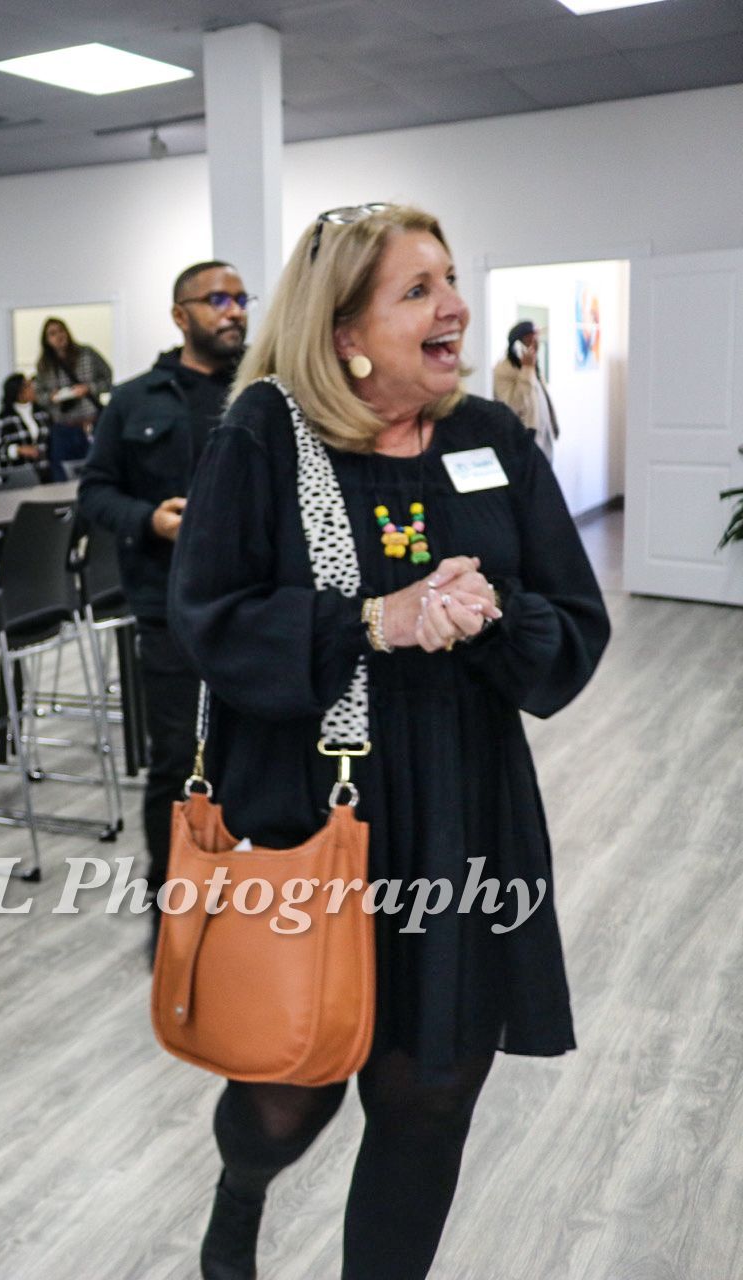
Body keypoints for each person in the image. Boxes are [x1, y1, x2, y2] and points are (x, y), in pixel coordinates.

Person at [170, 205, 609, 1280]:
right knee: (285, 1091)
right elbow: (211, 617)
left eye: (449, 279)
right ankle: (240, 1206)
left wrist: (493, 607)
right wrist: (376, 617)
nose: (455, 306)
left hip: (461, 806)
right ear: (346, 327)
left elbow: (575, 621)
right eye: (418, 289)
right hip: (310, 801)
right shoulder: (265, 435)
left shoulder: (491, 439)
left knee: (429, 1093)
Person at [76, 261, 249, 951]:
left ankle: (249, 899)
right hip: (170, 608)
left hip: (255, 610)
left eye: (240, 299)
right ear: (181, 315)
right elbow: (94, 494)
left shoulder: (265, 394)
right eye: (217, 300)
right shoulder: (134, 400)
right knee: (179, 759)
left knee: (253, 755)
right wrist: (151, 519)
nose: (233, 311)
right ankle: (172, 913)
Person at [33, 317, 113, 476]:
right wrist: (52, 396)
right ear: (47, 340)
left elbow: (108, 379)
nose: (59, 336)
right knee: (63, 473)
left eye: (61, 331)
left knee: (99, 471)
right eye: (52, 334)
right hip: (63, 428)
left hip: (91, 423)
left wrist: (88, 388)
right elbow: (38, 396)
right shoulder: (44, 365)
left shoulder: (87, 354)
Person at [492, 320, 559, 461]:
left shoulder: (534, 367)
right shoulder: (503, 370)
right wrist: (526, 370)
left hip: (544, 440)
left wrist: (553, 426)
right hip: (525, 444)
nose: (535, 344)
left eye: (536, 339)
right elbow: (513, 406)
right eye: (530, 339)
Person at [0, 372, 51, 479]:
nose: (33, 388)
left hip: (45, 473)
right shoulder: (3, 419)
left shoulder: (43, 414)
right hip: (18, 476)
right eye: (28, 386)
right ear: (18, 392)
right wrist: (17, 450)